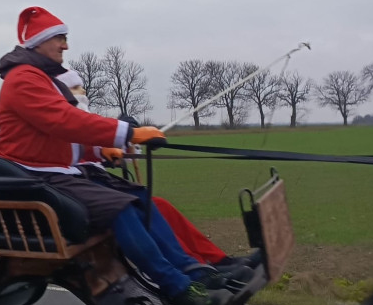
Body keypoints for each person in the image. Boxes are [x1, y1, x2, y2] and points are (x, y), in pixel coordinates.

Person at [0, 6, 233, 305]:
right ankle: (178, 287)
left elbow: (63, 138)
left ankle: (192, 270)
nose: (65, 46)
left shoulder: (39, 77)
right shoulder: (23, 80)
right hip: (39, 178)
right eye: (60, 39)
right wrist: (128, 134)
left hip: (59, 172)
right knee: (118, 208)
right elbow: (66, 121)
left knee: (140, 198)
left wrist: (101, 152)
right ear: (40, 41)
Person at [57, 68, 261, 272]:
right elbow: (75, 150)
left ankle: (216, 260)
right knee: (145, 210)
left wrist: (114, 148)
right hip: (83, 195)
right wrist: (113, 142)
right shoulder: (64, 121)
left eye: (81, 86)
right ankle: (195, 267)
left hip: (96, 186)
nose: (83, 91)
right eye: (75, 88)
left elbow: (92, 145)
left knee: (160, 205)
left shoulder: (80, 119)